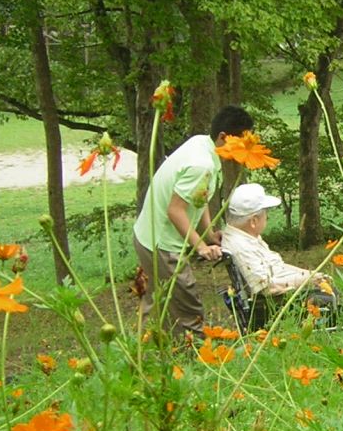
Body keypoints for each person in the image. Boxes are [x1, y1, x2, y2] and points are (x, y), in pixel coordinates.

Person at [133, 105, 253, 337]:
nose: (244, 149)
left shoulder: (200, 144)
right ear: (223, 137)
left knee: (157, 306)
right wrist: (201, 247)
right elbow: (176, 210)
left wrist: (209, 233)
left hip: (147, 236)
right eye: (243, 142)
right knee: (189, 310)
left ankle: (144, 359)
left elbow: (199, 197)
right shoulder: (202, 165)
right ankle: (194, 362)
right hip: (162, 245)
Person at [221, 183, 329, 296]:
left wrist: (311, 275)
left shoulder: (245, 237)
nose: (267, 217)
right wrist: (308, 280)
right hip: (275, 303)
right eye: (265, 213)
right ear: (253, 221)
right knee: (327, 296)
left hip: (280, 294)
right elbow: (266, 287)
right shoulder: (242, 246)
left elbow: (278, 267)